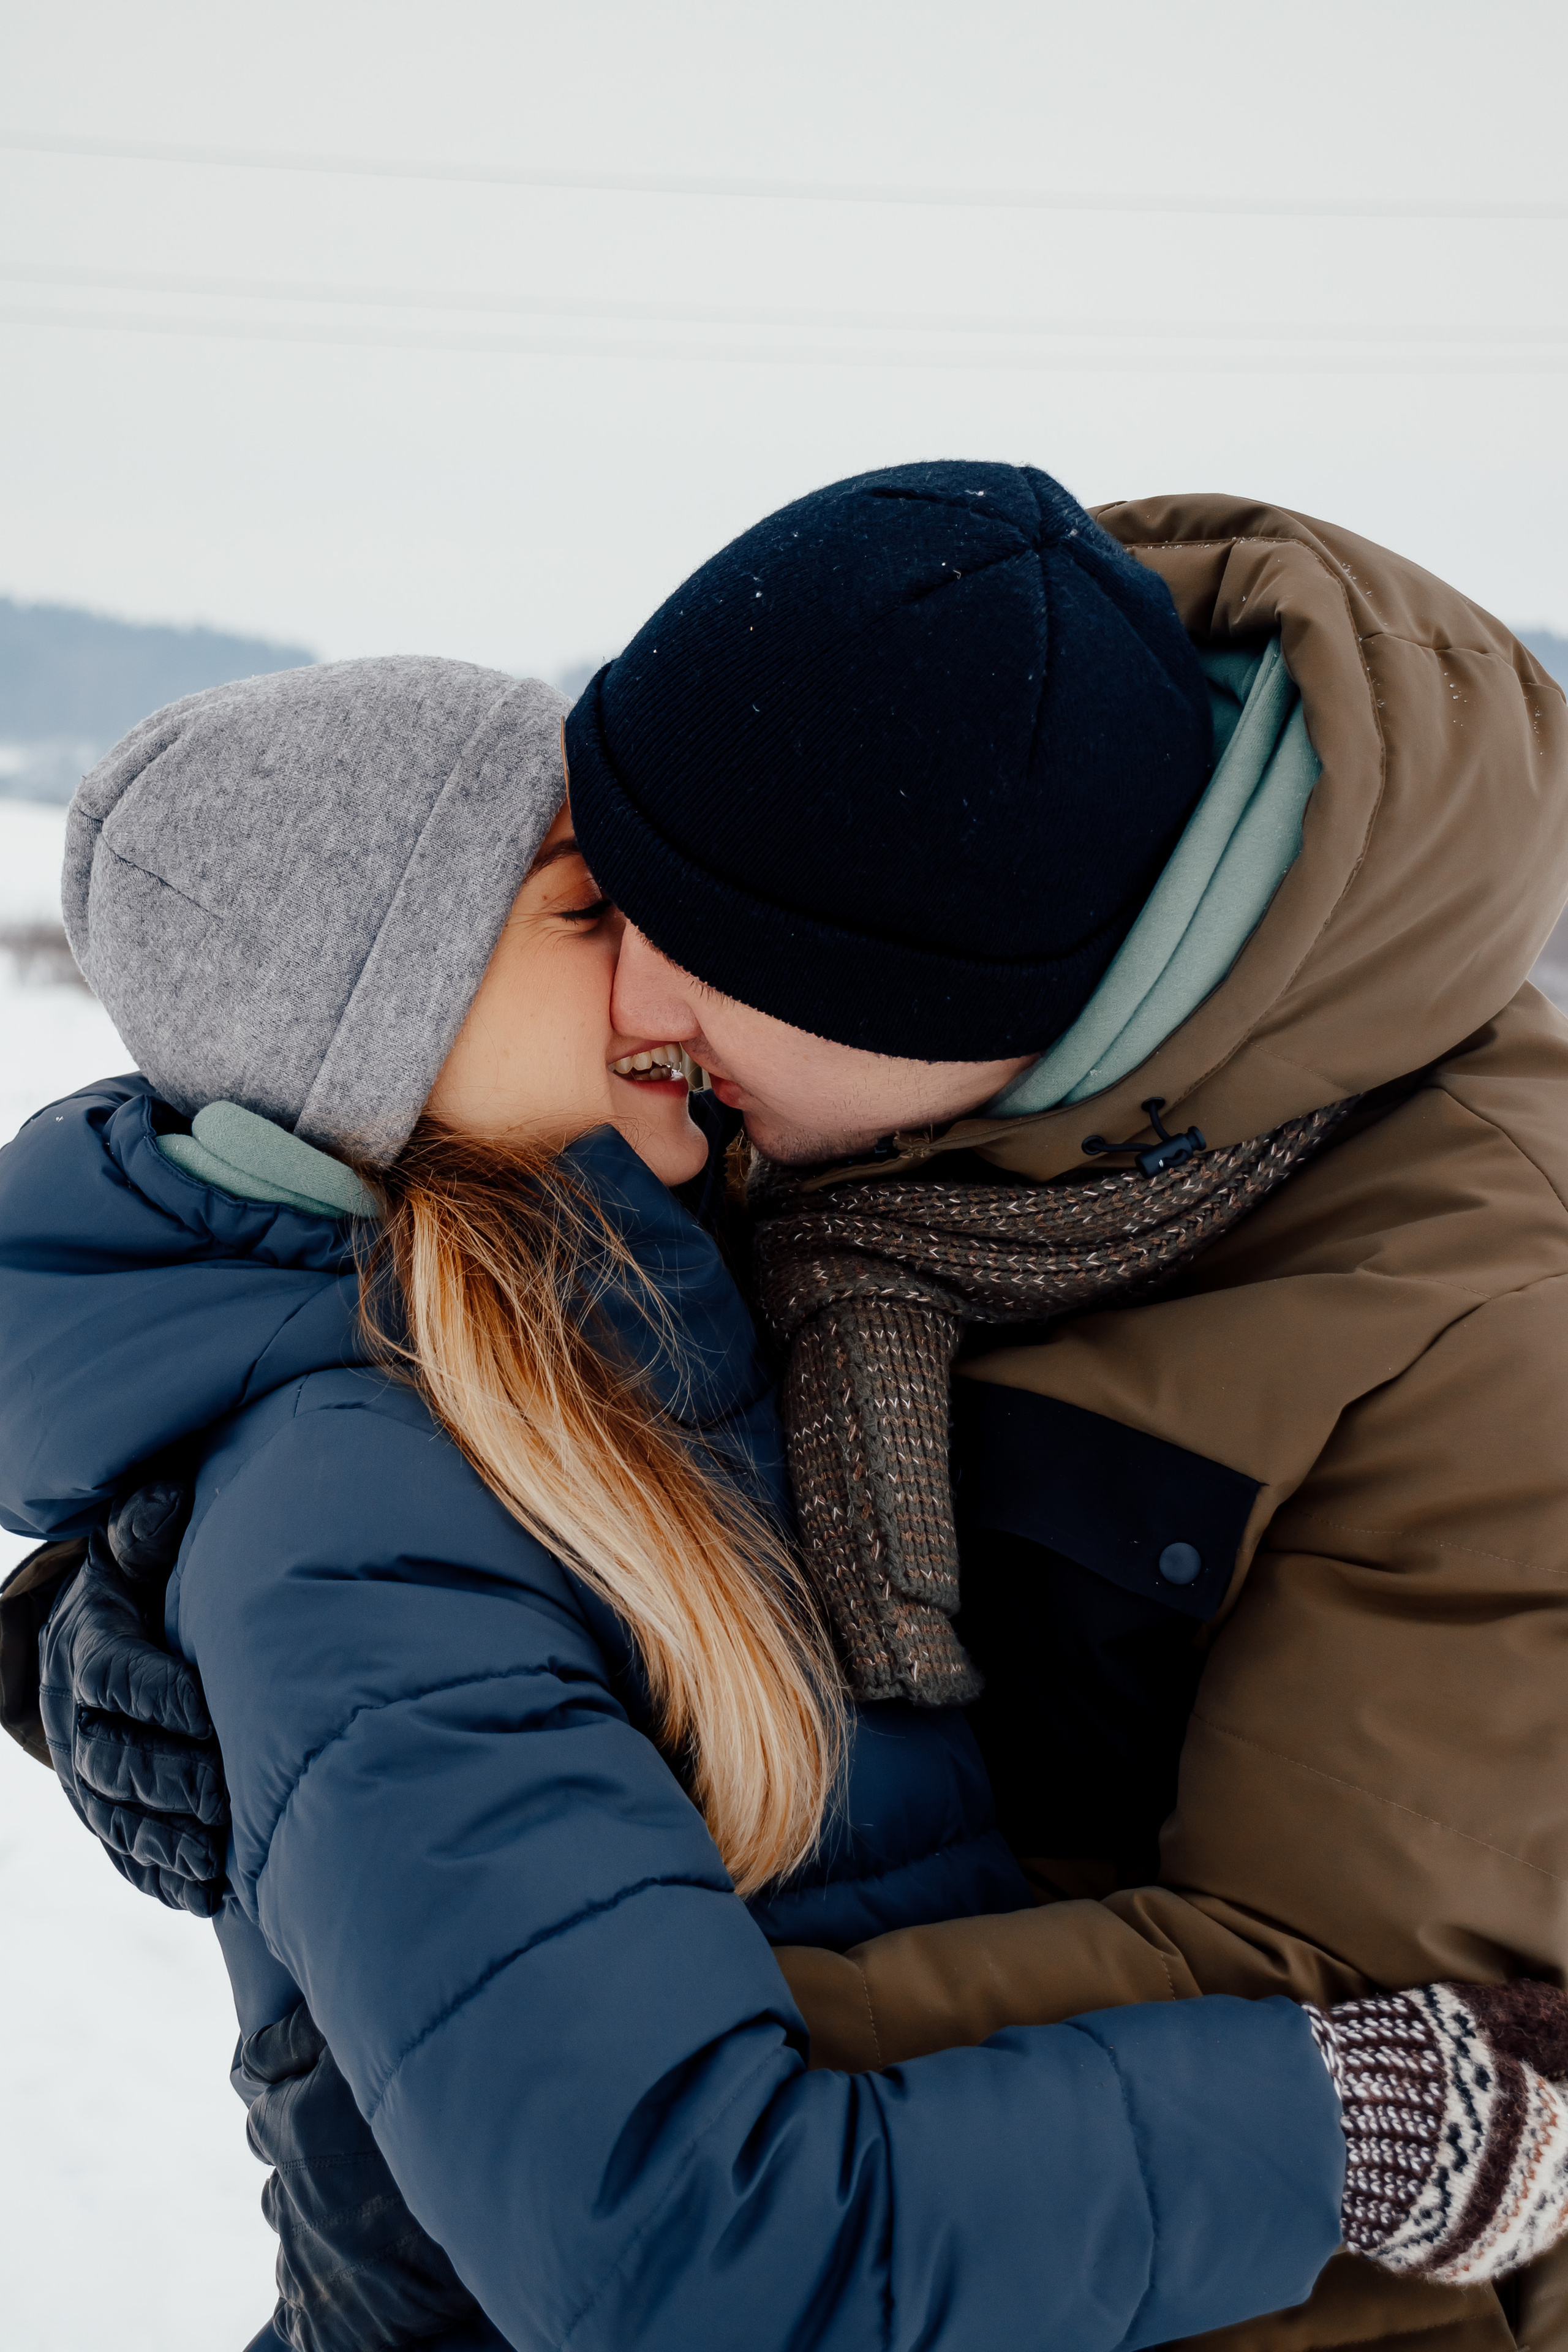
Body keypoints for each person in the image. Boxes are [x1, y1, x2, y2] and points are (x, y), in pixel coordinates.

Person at [6, 464, 1568, 2351]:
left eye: (643, 912)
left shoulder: (1483, 1317)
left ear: (953, 999)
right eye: (609, 898)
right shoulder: (748, 1131)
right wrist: (196, 1682)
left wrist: (455, 2037)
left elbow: (1358, 2003)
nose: (660, 993)